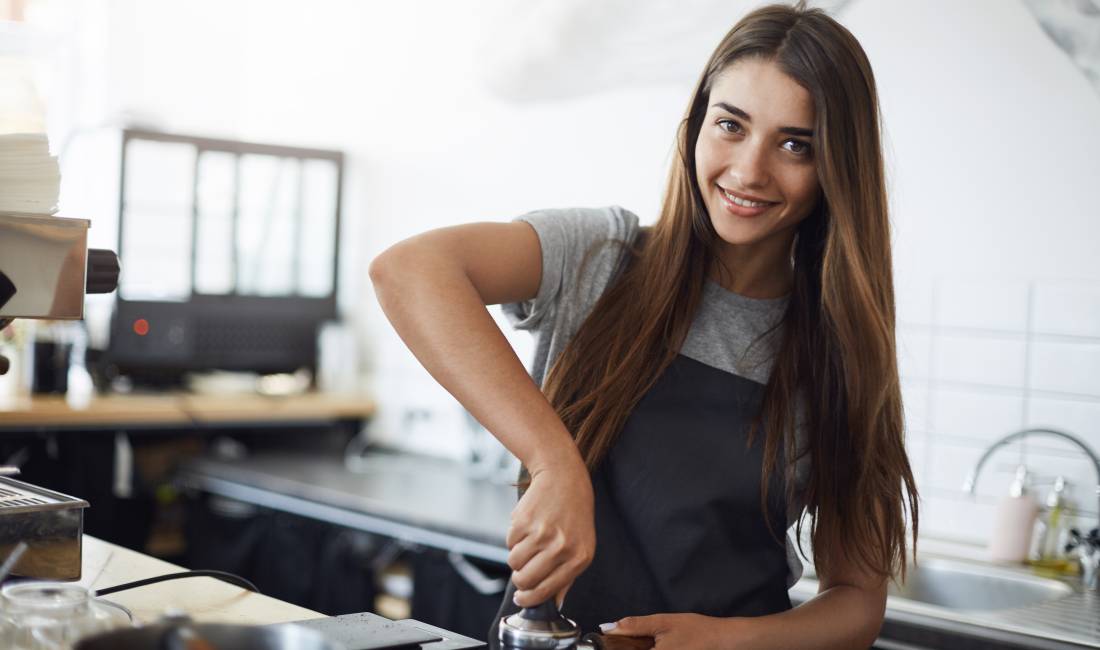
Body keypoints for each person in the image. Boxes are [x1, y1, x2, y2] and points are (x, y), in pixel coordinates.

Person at [370, 2, 919, 648]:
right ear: (696, 128)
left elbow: (857, 604)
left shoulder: (840, 355)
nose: (748, 170)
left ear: (836, 168)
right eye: (730, 126)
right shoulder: (600, 258)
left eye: (795, 144)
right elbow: (409, 271)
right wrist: (553, 460)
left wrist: (725, 642)